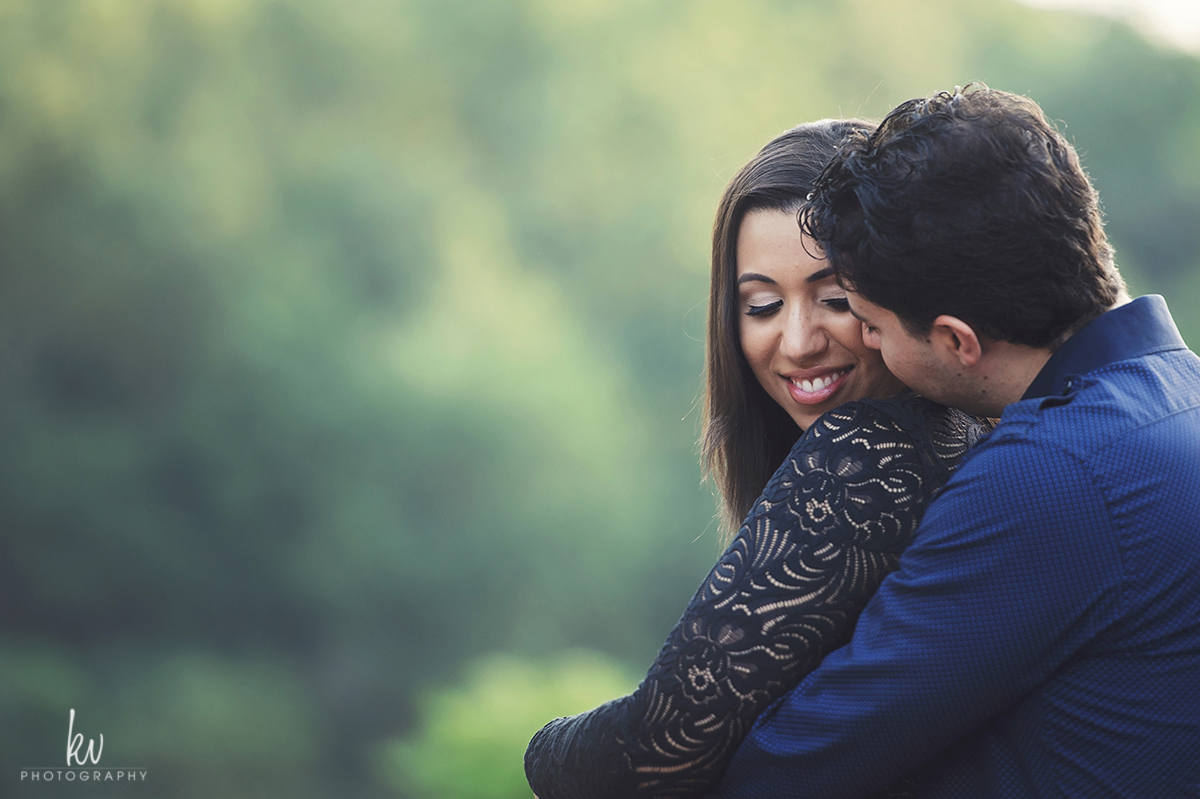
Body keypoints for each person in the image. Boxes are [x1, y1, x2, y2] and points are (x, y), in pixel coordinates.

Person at [709, 85, 1200, 798]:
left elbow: (782, 769)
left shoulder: (1051, 473)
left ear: (955, 340)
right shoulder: (1176, 396)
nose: (847, 339)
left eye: (863, 316)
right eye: (761, 303)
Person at [523, 121, 983, 799]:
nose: (796, 340)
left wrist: (537, 752)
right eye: (761, 304)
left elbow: (648, 752)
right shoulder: (963, 435)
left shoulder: (875, 450)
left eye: (834, 298)